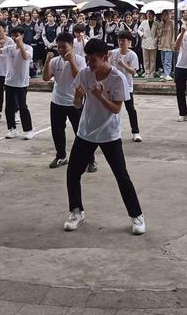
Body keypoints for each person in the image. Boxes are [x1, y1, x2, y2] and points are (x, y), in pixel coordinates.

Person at [64, 38, 145, 235]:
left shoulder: (118, 78)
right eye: (87, 59)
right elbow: (77, 105)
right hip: (86, 132)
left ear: (105, 57)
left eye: (93, 60)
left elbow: (116, 109)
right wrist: (77, 96)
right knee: (73, 173)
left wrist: (100, 95)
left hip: (109, 133)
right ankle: (76, 212)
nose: (90, 64)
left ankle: (137, 216)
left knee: (121, 176)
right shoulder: (84, 74)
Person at [43, 32, 87, 169]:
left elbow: (79, 78)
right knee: (57, 131)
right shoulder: (55, 61)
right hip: (57, 101)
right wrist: (47, 60)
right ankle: (61, 156)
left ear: (72, 46)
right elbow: (45, 78)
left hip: (75, 101)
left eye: (64, 47)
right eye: (58, 47)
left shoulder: (80, 60)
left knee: (80, 132)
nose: (61, 50)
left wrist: (71, 61)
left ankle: (89, 159)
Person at [0, 26, 35, 140]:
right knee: (9, 107)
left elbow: (25, 57)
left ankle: (29, 130)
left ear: (22, 35)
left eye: (17, 35)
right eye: (13, 35)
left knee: (23, 106)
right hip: (9, 81)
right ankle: (12, 129)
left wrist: (20, 45)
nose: (15, 37)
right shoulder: (9, 48)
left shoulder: (28, 48)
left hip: (21, 82)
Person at [110, 30, 142, 142]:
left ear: (129, 42)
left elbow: (133, 72)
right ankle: (114, 130)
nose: (121, 42)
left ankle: (136, 132)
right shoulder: (113, 53)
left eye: (123, 40)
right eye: (119, 40)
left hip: (127, 86)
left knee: (130, 109)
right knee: (113, 110)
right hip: (114, 86)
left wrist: (123, 64)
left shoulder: (133, 55)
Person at [138, 10, 159, 78]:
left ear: (153, 15)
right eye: (147, 14)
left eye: (150, 14)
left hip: (153, 42)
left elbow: (158, 33)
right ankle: (147, 72)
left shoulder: (156, 23)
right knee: (146, 59)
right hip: (145, 41)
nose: (149, 15)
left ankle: (152, 73)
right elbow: (139, 30)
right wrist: (142, 34)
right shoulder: (143, 22)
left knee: (153, 59)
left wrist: (155, 39)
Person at [156, 10, 174, 81]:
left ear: (168, 14)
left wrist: (173, 43)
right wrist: (160, 27)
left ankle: (167, 74)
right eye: (162, 15)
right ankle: (165, 73)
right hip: (162, 44)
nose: (164, 16)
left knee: (167, 61)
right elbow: (159, 34)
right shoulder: (161, 23)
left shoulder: (172, 23)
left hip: (169, 44)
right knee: (163, 60)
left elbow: (174, 34)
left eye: (165, 14)